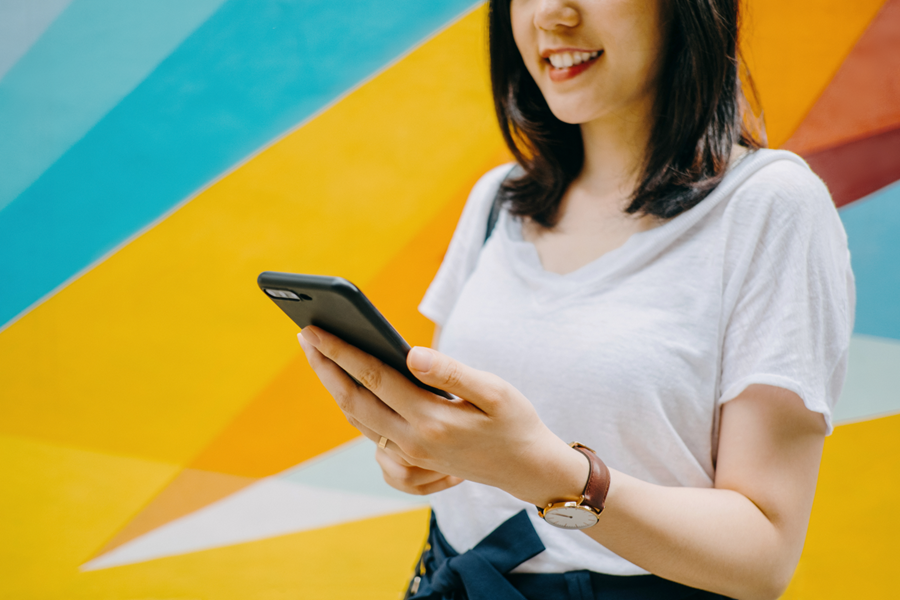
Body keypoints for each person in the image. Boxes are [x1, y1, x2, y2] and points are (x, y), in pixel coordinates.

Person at [295, 0, 854, 598]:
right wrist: (411, 446)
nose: (551, 14)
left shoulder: (769, 206)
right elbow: (462, 433)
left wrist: (546, 473)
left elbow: (763, 560)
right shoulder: (497, 201)